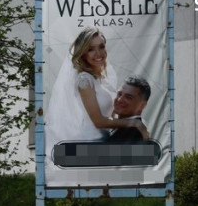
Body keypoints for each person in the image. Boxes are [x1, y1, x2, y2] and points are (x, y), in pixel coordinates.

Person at [45, 29, 148, 157]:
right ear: (83, 53)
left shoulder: (102, 80)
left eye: (101, 47)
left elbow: (111, 114)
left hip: (105, 142)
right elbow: (98, 121)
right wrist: (135, 123)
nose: (98, 53)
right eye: (91, 49)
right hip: (90, 144)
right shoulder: (84, 80)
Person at [106, 76, 152, 143]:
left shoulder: (134, 131)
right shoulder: (122, 125)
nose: (119, 100)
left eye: (128, 97)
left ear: (142, 105)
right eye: (119, 94)